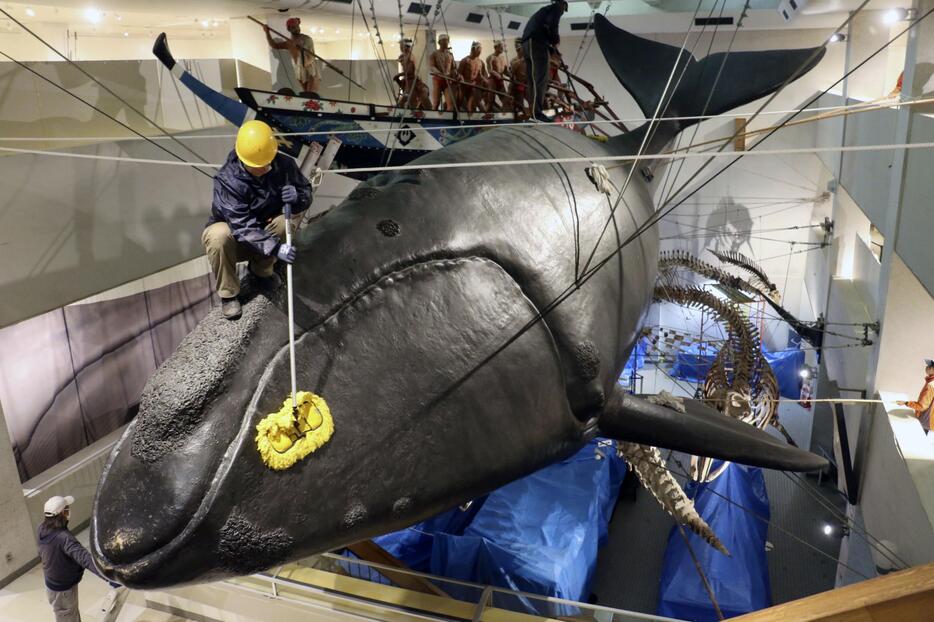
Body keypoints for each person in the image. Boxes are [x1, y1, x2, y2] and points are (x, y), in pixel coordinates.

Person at [203, 120, 311, 320]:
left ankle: (261, 271)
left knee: (283, 223)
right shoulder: (228, 181)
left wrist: (299, 196)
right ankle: (229, 294)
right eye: (259, 166)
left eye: (269, 162)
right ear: (244, 161)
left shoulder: (284, 165)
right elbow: (241, 226)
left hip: (265, 231)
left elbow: (306, 193)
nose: (267, 168)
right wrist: (277, 248)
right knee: (218, 236)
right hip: (236, 241)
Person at [38, 495, 120, 621]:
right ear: (63, 513)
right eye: (67, 509)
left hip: (52, 585)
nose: (69, 511)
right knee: (68, 617)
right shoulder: (64, 538)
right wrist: (109, 576)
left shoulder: (42, 529)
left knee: (68, 615)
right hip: (63, 590)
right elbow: (85, 559)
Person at [520, 0, 568, 121]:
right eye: (564, 10)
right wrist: (555, 39)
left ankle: (533, 111)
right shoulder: (556, 8)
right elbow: (553, 25)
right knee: (540, 80)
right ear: (563, 5)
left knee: (532, 81)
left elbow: (544, 28)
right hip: (536, 43)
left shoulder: (543, 12)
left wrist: (551, 48)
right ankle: (537, 113)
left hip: (527, 44)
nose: (562, 13)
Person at [264, 17, 320, 95]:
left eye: (297, 26)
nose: (297, 29)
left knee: (310, 93)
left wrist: (301, 49)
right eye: (294, 27)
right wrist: (267, 32)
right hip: (298, 69)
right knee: (306, 93)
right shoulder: (289, 43)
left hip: (309, 68)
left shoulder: (307, 39)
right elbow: (274, 45)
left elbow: (311, 57)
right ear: (289, 29)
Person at [896, 359, 934, 435]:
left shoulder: (931, 385)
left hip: (925, 421)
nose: (926, 367)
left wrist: (906, 403)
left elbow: (922, 406)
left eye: (929, 366)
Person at [394, 38, 430, 109]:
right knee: (405, 98)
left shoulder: (410, 56)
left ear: (407, 47)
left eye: (402, 46)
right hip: (407, 80)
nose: (401, 47)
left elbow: (410, 71)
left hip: (412, 80)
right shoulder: (403, 56)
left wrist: (399, 74)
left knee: (410, 98)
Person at [429, 33, 457, 111]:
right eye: (444, 41)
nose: (446, 42)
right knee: (436, 103)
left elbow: (454, 68)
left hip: (447, 80)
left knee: (450, 104)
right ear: (439, 42)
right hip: (438, 80)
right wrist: (440, 74)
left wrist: (454, 73)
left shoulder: (450, 55)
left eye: (447, 41)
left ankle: (448, 120)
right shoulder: (434, 54)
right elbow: (432, 67)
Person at [458, 41, 488, 112]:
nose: (480, 52)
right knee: (459, 101)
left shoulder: (480, 62)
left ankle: (482, 115)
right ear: (473, 49)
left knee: (473, 104)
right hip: (464, 85)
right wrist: (462, 80)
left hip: (474, 86)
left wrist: (486, 81)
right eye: (479, 50)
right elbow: (459, 73)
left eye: (480, 50)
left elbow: (481, 75)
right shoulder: (465, 61)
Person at [485, 40, 510, 111]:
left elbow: (505, 71)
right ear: (496, 47)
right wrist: (497, 74)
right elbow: (490, 70)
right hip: (493, 81)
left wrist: (511, 75)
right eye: (501, 47)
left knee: (505, 99)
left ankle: (504, 114)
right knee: (490, 101)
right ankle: (486, 116)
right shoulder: (490, 57)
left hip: (500, 81)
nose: (502, 48)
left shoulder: (502, 58)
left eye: (502, 47)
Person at [509, 38, 529, 116]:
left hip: (527, 84)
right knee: (519, 104)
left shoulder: (528, 59)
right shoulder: (514, 61)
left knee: (532, 101)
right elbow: (512, 75)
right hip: (518, 85)